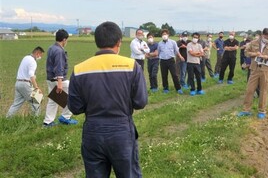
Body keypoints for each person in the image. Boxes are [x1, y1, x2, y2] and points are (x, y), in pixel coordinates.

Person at [68, 21, 148, 178]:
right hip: (122, 131)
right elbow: (140, 102)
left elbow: (75, 108)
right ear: (119, 42)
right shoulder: (131, 65)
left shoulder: (79, 69)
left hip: (93, 131)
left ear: (96, 41)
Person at [238, 28, 268, 119]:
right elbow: (246, 52)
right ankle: (246, 110)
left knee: (264, 91)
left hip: (266, 71)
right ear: (262, 34)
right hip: (254, 69)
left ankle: (262, 111)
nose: (267, 37)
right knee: (250, 90)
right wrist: (254, 54)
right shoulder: (253, 42)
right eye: (266, 35)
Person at [43, 29, 78, 127]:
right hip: (59, 80)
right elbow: (59, 67)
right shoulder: (59, 51)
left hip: (50, 79)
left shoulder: (51, 48)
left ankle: (48, 122)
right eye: (67, 40)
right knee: (74, 95)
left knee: (53, 100)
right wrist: (59, 83)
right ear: (64, 39)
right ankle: (65, 117)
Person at [6, 47, 45, 117]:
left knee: (16, 104)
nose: (40, 57)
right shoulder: (33, 61)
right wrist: (36, 88)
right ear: (37, 53)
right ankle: (36, 120)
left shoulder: (26, 57)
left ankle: (7, 118)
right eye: (40, 55)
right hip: (25, 84)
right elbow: (31, 74)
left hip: (18, 83)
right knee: (36, 102)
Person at [157, 29, 184, 94]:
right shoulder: (160, 43)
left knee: (174, 75)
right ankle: (166, 89)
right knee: (164, 75)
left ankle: (178, 88)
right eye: (163, 34)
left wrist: (180, 57)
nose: (164, 35)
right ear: (161, 35)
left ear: (168, 35)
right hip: (163, 61)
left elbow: (176, 51)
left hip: (171, 60)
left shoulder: (173, 42)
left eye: (165, 34)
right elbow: (159, 52)